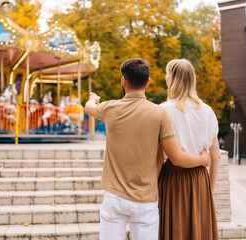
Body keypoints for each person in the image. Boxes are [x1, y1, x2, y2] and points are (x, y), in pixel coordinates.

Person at [84, 58, 211, 240]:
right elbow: (176, 158)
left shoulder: (110, 108)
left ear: (124, 81)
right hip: (145, 200)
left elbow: (89, 108)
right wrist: (203, 160)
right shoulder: (160, 113)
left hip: (114, 196)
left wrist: (93, 98)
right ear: (148, 82)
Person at [158, 59, 220, 240]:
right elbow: (215, 155)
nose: (166, 77)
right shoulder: (207, 111)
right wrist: (211, 188)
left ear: (172, 79)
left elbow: (159, 156)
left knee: (174, 229)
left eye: (168, 73)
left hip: (173, 178)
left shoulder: (164, 110)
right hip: (200, 179)